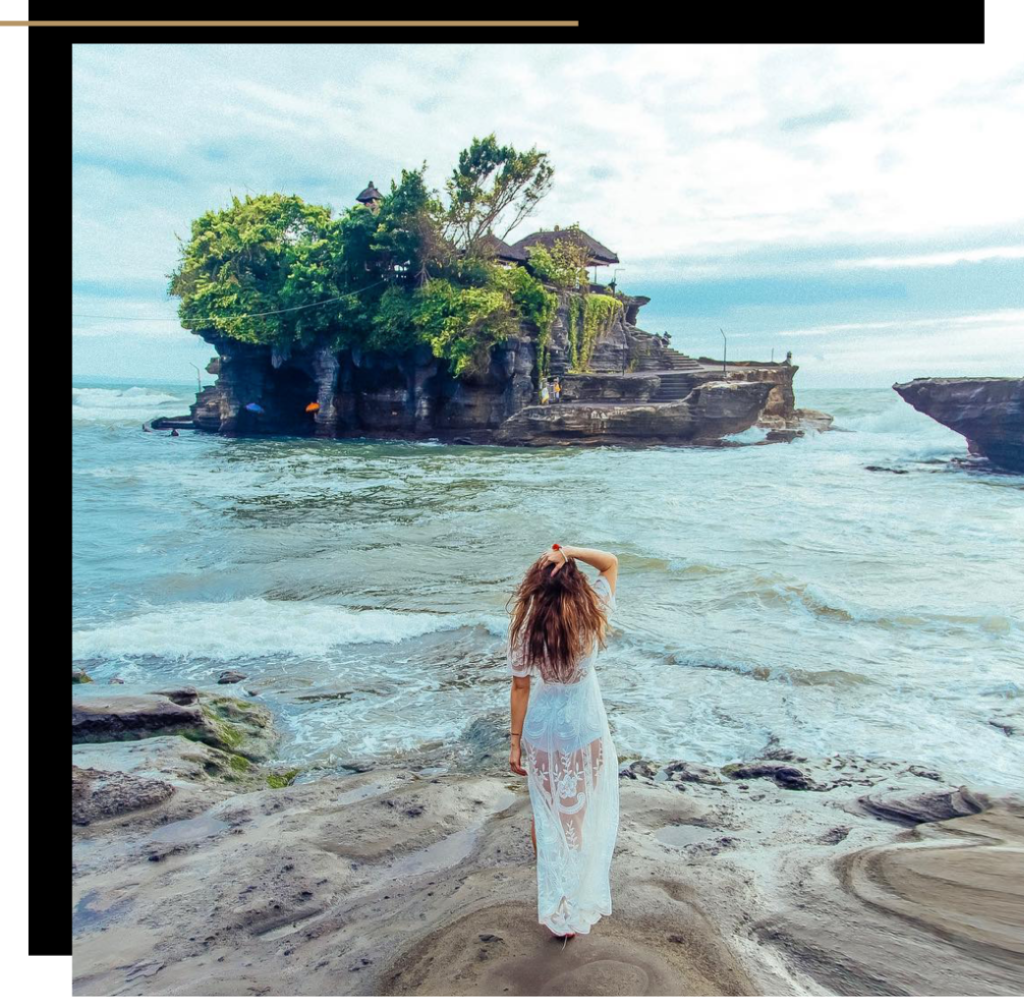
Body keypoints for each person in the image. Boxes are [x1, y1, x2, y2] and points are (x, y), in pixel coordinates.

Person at [507, 543, 620, 941]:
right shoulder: (593, 613)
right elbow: (610, 562)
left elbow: (521, 688)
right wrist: (567, 550)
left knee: (546, 815)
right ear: (575, 582)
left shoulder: (527, 628)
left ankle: (559, 901)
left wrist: (515, 742)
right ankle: (570, 902)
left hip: (543, 728)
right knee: (575, 817)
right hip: (585, 727)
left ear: (537, 584)